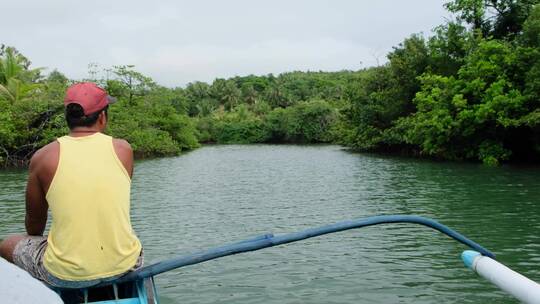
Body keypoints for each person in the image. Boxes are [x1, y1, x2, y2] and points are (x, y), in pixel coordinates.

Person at [0, 82, 142, 288]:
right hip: (127, 265)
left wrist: (47, 242)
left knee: (6, 245)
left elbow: (34, 223)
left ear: (67, 118)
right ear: (102, 117)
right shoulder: (123, 150)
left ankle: (31, 293)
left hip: (66, 275)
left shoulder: (43, 157)